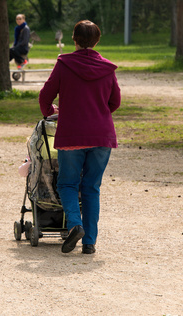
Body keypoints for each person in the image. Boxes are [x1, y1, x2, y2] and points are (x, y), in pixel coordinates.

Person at [39, 20, 121, 254]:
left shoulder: (64, 64)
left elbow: (45, 96)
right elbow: (115, 102)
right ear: (97, 40)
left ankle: (75, 224)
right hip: (101, 135)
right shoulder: (108, 68)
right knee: (91, 187)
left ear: (74, 39)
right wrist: (98, 115)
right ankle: (89, 242)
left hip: (71, 135)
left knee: (67, 183)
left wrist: (51, 113)